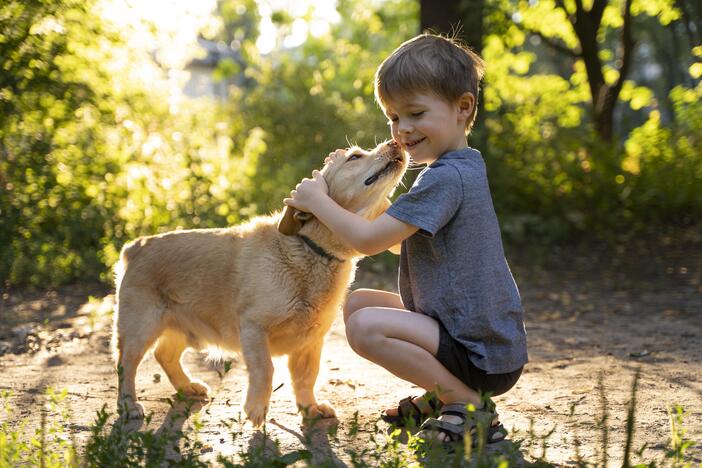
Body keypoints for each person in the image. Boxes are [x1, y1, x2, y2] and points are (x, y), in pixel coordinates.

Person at [283, 33, 527, 449]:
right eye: (394, 118)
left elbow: (370, 242)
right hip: (471, 332)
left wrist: (319, 201)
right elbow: (401, 242)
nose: (403, 130)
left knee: (364, 327)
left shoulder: (446, 178)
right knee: (359, 301)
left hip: (480, 352)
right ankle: (443, 393)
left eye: (415, 113)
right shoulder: (458, 168)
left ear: (462, 107)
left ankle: (466, 403)